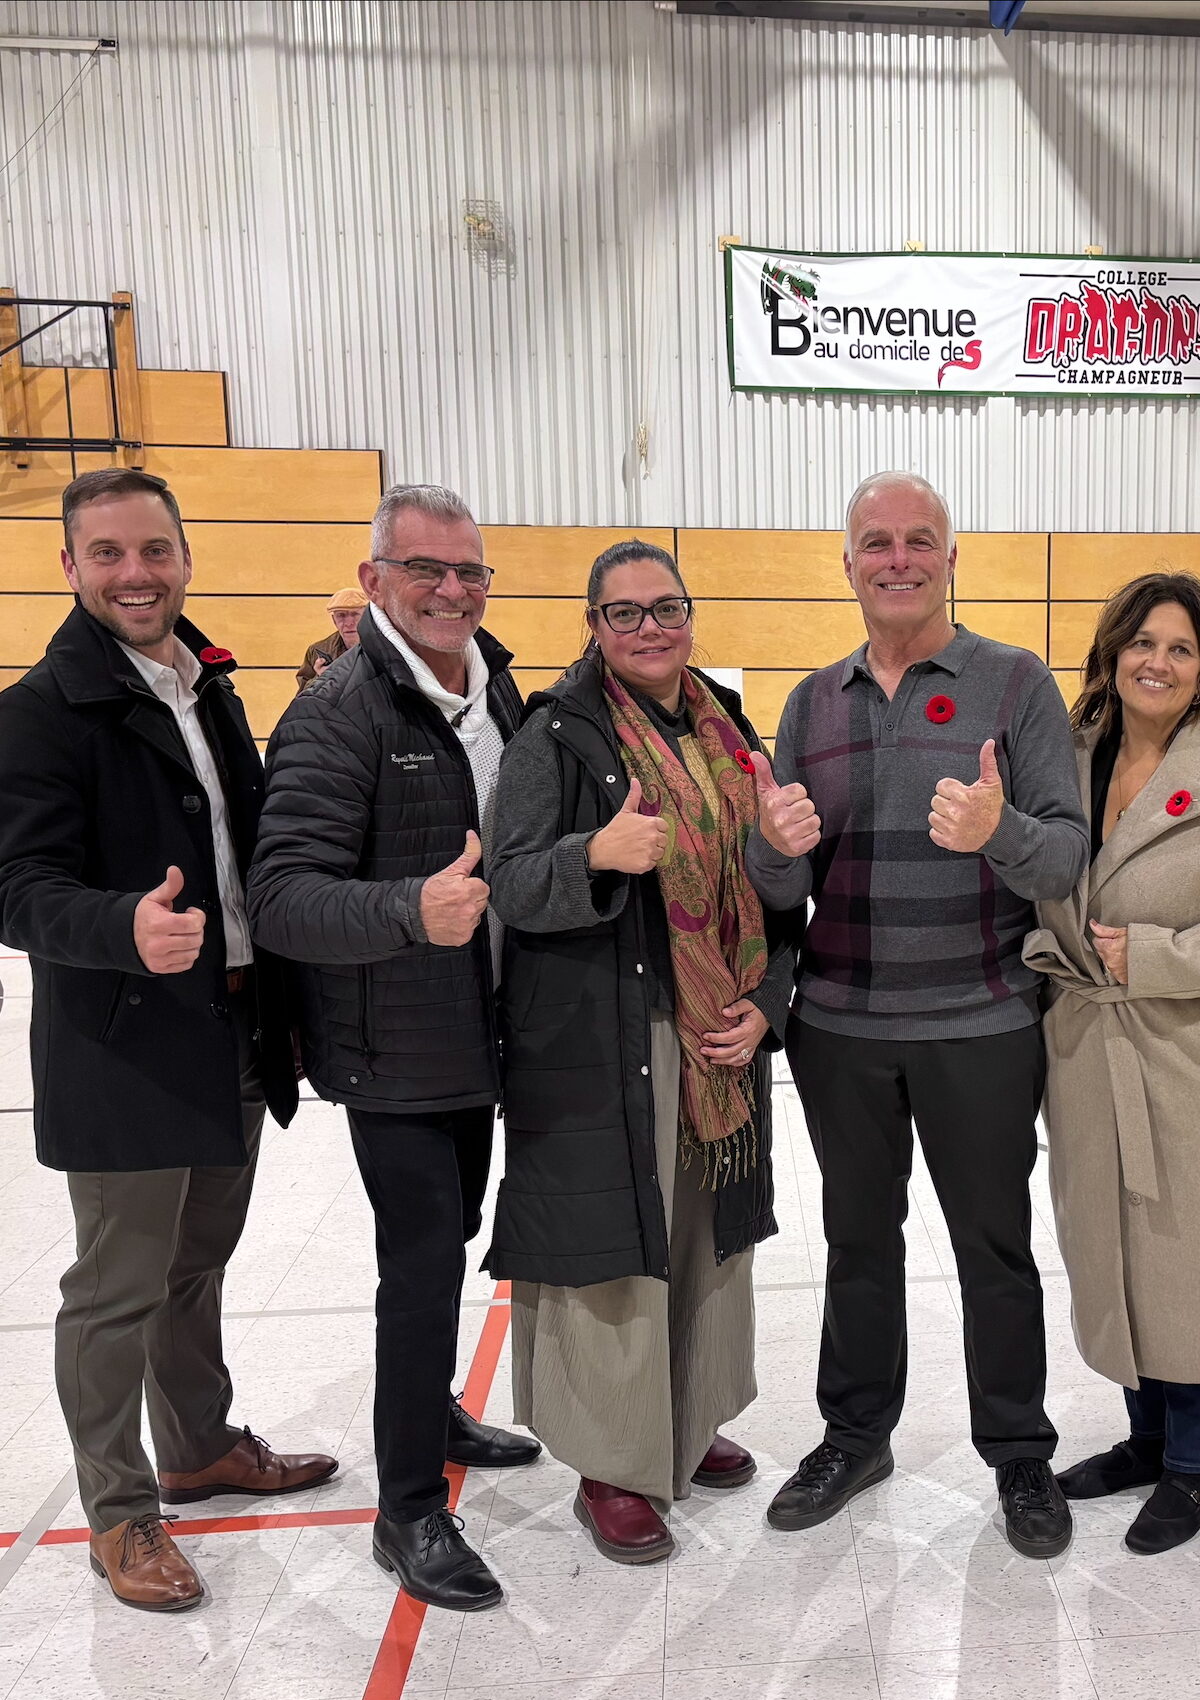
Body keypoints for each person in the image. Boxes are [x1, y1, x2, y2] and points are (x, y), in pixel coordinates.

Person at [0, 469, 335, 1613]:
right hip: (125, 1041)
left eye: (153, 550)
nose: (135, 573)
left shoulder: (209, 683)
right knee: (116, 1286)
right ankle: (121, 1510)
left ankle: (194, 1442)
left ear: (185, 555)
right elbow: (14, 888)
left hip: (231, 1021)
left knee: (200, 1258)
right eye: (108, 554)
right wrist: (119, 927)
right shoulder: (41, 709)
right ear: (71, 567)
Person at [746, 471, 1089, 1559]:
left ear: (951, 558)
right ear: (847, 563)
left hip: (981, 1023)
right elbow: (777, 888)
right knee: (856, 1242)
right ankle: (856, 1434)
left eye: (919, 541)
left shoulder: (1015, 685)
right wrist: (772, 848)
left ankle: (1020, 1451)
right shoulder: (813, 702)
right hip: (841, 1027)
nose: (897, 559)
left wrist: (998, 830)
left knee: (994, 1248)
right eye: (876, 542)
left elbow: (1067, 853)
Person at [249, 484, 540, 1613]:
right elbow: (281, 898)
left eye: (470, 571)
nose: (453, 590)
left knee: (454, 1233)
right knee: (418, 1263)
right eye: (427, 570)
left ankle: (433, 1409)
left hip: (482, 1035)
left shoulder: (494, 685)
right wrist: (410, 911)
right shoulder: (338, 714)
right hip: (394, 1048)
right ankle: (409, 1505)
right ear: (375, 582)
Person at [485, 540, 801, 1564]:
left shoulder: (723, 723)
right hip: (603, 1035)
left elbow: (764, 888)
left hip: (716, 1032)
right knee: (615, 1256)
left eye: (666, 607)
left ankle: (688, 1415)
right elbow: (515, 883)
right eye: (624, 614)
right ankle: (612, 1465)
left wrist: (768, 1000)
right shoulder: (556, 735)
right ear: (593, 627)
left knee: (703, 1235)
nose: (649, 627)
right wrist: (595, 854)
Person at [1025, 573, 1200, 1553]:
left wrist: (1153, 957)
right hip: (1087, 1054)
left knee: (1196, 1263)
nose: (1156, 661)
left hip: (1199, 1060)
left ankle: (1194, 1469)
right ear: (1111, 652)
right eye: (1142, 642)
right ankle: (1146, 1442)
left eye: (1180, 649)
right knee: (1115, 1252)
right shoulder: (1059, 765)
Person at [296, 586, 368, 692]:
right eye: (341, 616)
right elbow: (302, 699)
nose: (348, 623)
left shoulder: (385, 646)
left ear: (368, 616)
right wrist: (320, 679)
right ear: (334, 620)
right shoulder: (317, 651)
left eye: (355, 614)